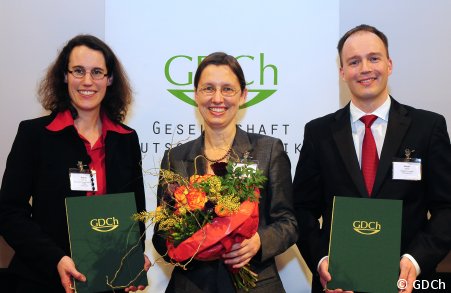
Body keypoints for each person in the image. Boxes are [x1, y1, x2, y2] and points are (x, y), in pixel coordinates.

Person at [293, 24, 451, 293]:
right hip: (337, 284)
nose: (365, 68)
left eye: (374, 58)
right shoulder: (318, 132)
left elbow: (447, 207)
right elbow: (301, 209)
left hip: (407, 283)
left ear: (389, 64)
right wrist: (321, 260)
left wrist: (415, 260)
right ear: (342, 72)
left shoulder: (428, 127)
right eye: (354, 62)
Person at [0, 35, 149, 293]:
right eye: (78, 71)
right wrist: (55, 259)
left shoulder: (126, 139)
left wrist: (132, 259)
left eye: (97, 72)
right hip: (42, 281)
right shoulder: (35, 134)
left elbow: (135, 214)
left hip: (107, 284)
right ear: (65, 76)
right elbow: (9, 212)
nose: (88, 81)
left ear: (109, 79)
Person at [152, 52, 298, 292]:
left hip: (254, 282)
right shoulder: (175, 158)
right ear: (196, 95)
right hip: (191, 285)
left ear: (243, 96)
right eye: (208, 88)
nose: (217, 98)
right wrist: (186, 244)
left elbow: (288, 222)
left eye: (227, 89)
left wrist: (259, 242)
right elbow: (161, 233)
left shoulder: (268, 150)